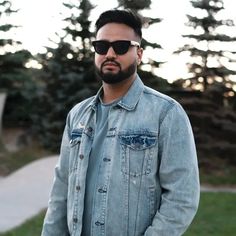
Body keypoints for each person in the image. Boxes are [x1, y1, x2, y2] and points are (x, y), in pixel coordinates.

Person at [42, 9, 200, 236]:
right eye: (102, 46)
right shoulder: (77, 115)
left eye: (122, 47)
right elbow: (61, 191)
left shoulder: (166, 113)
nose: (110, 54)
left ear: (139, 54)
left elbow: (182, 197)